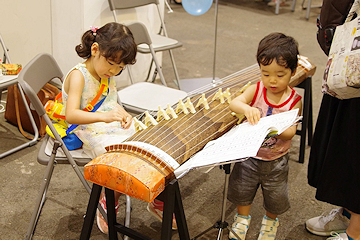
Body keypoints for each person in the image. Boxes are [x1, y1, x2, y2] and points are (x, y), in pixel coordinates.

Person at [62, 22, 176, 234]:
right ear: (95, 50)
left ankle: (157, 199)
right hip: (87, 128)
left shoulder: (105, 72)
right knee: (122, 157)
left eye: (120, 68)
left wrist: (121, 112)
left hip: (107, 124)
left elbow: (109, 101)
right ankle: (108, 201)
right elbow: (71, 115)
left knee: (150, 143)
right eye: (111, 64)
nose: (113, 71)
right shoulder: (78, 76)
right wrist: (106, 116)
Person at [226, 32, 302, 240]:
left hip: (276, 161)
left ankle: (270, 222)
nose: (272, 80)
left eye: (280, 75)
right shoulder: (257, 89)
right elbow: (235, 103)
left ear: (293, 72)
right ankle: (242, 219)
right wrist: (246, 108)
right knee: (242, 189)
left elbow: (290, 132)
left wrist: (269, 126)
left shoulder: (293, 100)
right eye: (266, 73)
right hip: (249, 155)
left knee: (275, 196)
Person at [305, 0, 360, 239]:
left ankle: (356, 231)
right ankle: (348, 213)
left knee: (357, 145)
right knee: (341, 141)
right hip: (347, 57)